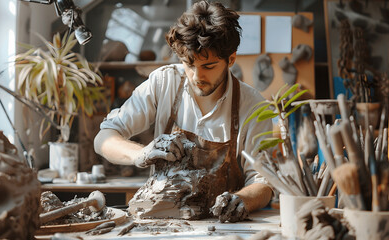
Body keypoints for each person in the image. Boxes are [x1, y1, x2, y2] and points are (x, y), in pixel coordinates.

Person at [94, 0, 272, 223]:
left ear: (231, 60)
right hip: (164, 223)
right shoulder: (164, 82)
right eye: (189, 64)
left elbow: (264, 182)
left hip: (223, 226)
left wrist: (242, 200)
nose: (197, 77)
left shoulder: (254, 106)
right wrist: (140, 154)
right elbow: (104, 138)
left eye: (208, 66)